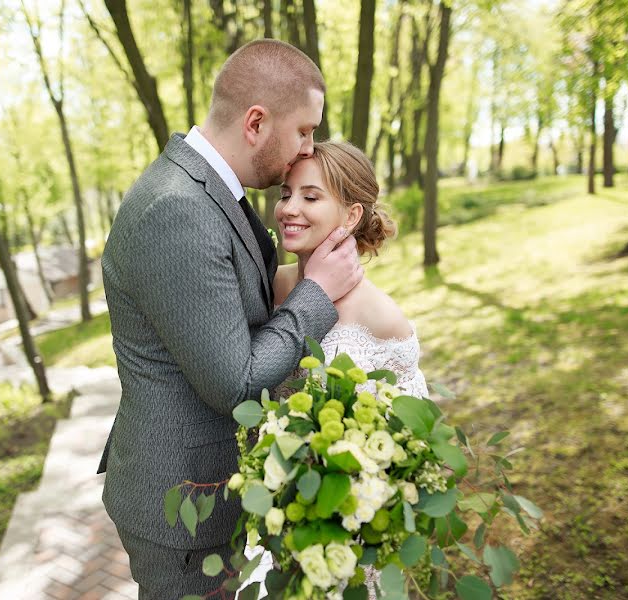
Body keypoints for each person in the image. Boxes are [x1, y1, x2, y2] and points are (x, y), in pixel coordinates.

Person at [96, 40, 363, 599]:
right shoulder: (176, 209)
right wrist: (316, 292)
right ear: (257, 122)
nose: (306, 148)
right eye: (304, 132)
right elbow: (234, 382)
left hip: (212, 490)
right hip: (183, 510)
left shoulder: (212, 192)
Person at [240, 140, 429, 596]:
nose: (288, 208)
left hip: (344, 538)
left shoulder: (382, 318)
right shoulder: (269, 288)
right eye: (286, 193)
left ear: (351, 216)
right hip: (271, 524)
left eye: (311, 196)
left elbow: (410, 452)